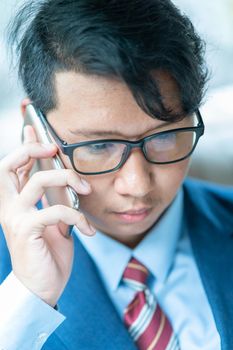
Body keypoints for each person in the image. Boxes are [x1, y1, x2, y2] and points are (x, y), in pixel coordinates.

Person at [0, 1, 232, 349]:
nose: (137, 185)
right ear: (36, 128)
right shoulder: (13, 288)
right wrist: (30, 298)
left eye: (165, 136)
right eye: (97, 146)